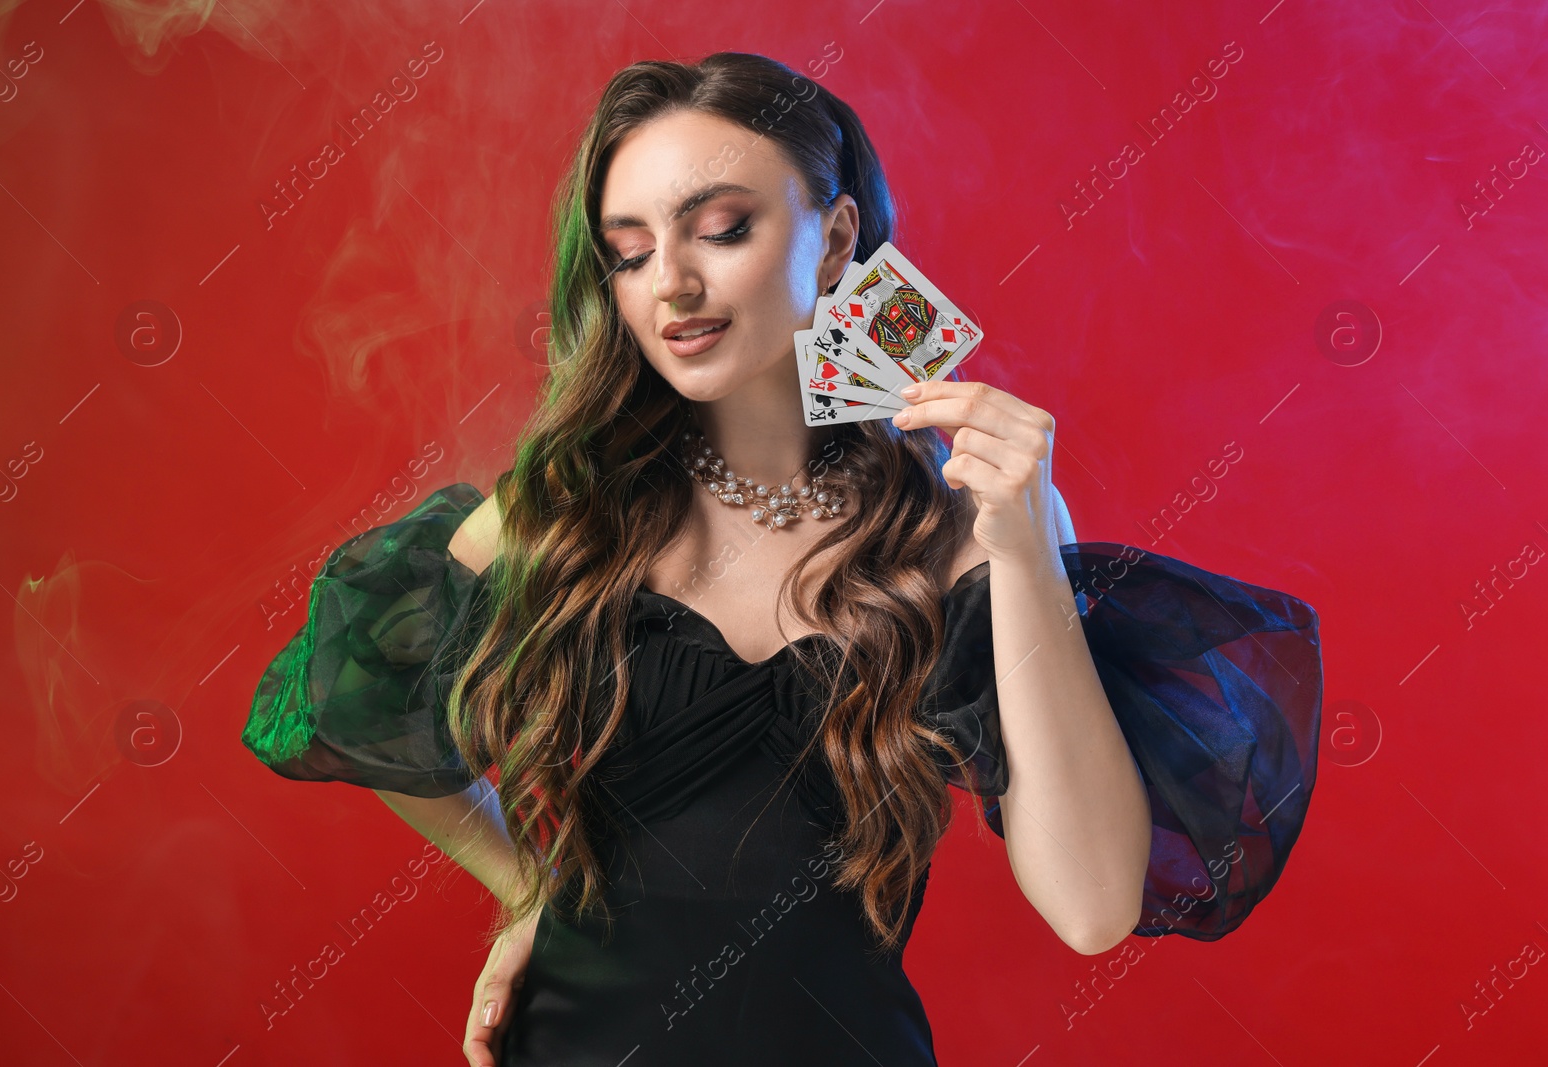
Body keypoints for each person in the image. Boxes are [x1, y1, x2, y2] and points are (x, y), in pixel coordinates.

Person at [240, 52, 1324, 1067]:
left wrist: (1028, 549)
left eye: (718, 228)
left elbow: (1090, 904)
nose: (668, 283)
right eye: (626, 251)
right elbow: (347, 704)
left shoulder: (953, 526)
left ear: (838, 231)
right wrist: (524, 891)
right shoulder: (561, 514)